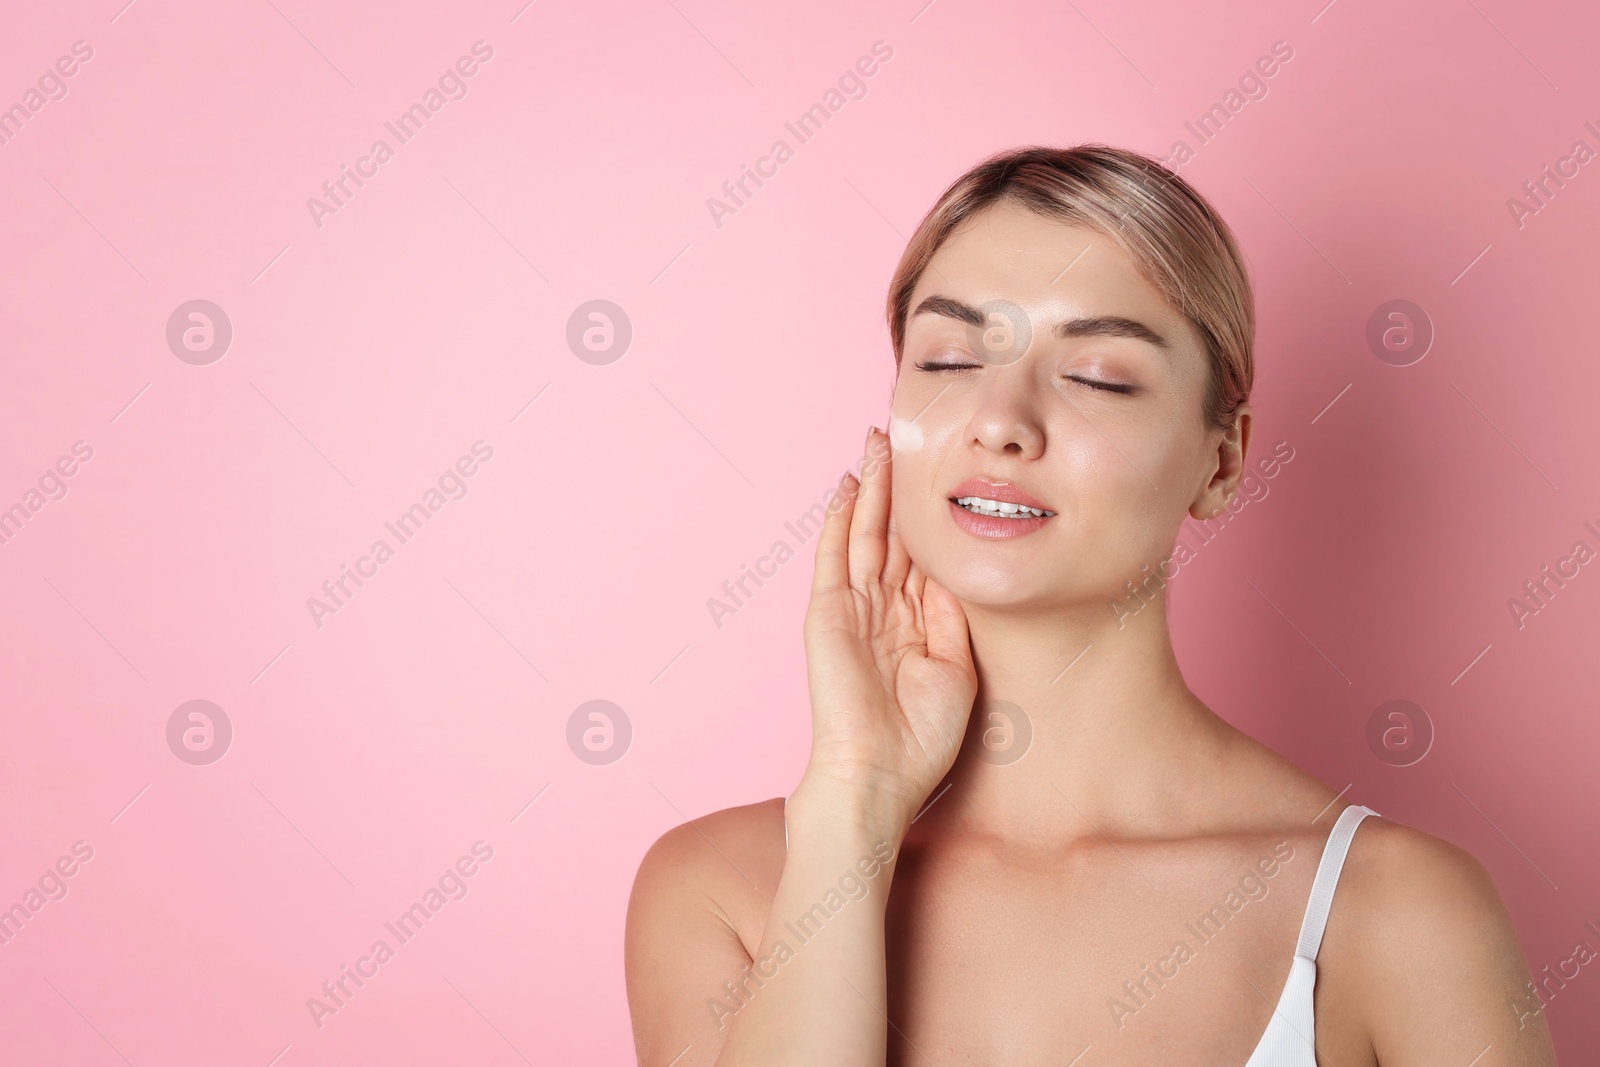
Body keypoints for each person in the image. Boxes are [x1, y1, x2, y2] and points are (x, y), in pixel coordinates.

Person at [624, 144, 1558, 1066]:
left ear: (1222, 461)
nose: (999, 420)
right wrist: (851, 804)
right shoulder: (721, 891)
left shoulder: (1397, 914)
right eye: (949, 360)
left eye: (1097, 376)